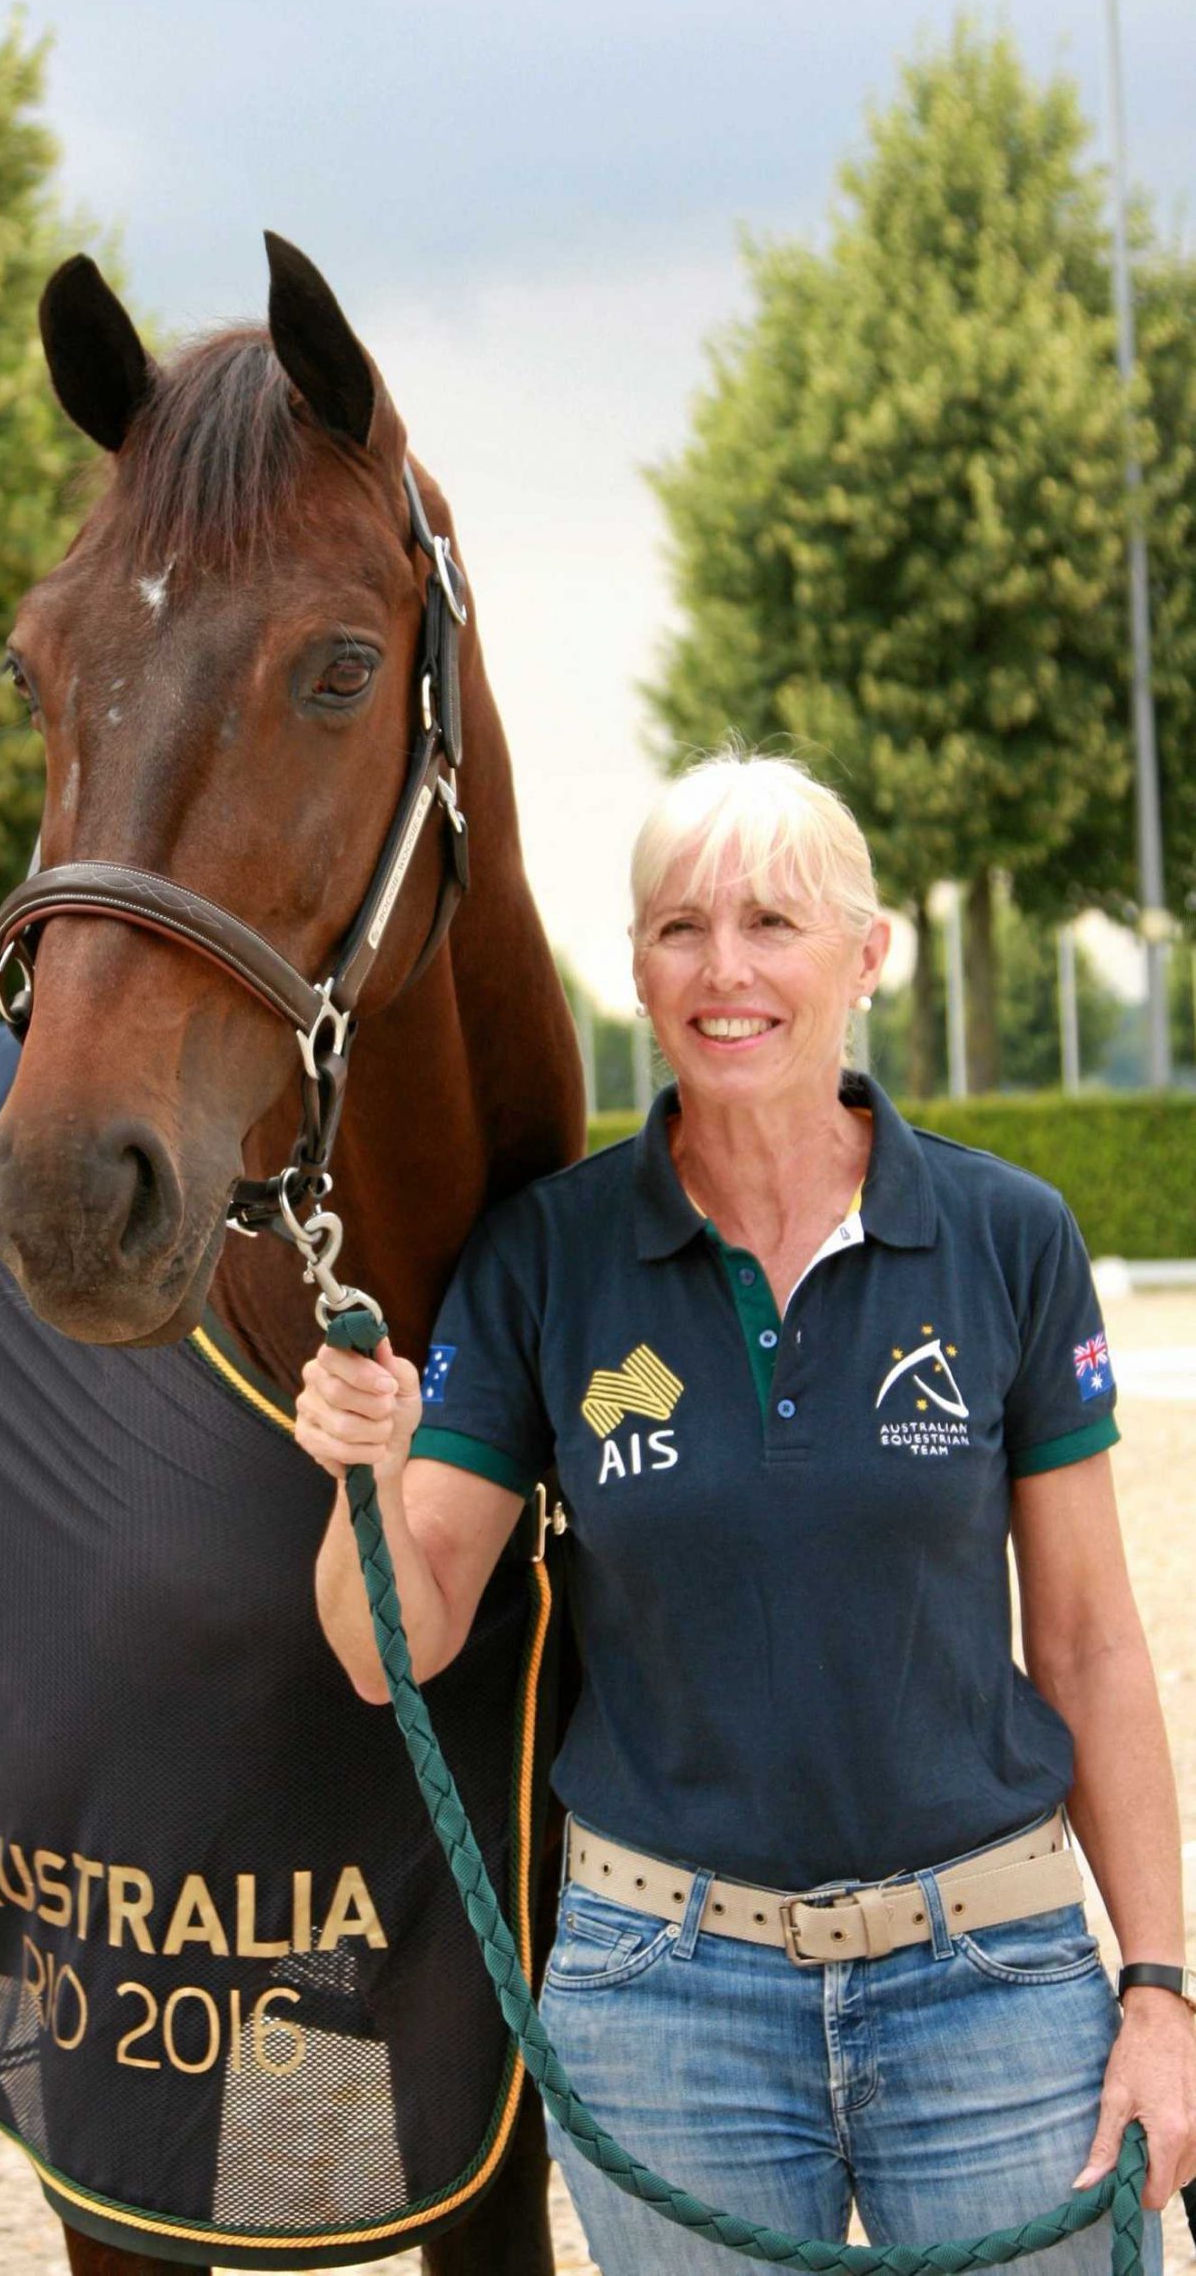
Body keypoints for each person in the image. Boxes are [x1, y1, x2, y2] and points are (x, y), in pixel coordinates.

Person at [294, 750, 1196, 2275]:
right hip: (666, 2006)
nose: (726, 972)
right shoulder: (542, 1264)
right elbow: (395, 1642)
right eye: (678, 930)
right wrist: (361, 1469)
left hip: (992, 1980)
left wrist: (1163, 1994)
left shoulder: (1008, 1241)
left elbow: (1097, 1646)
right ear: (636, 970)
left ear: (867, 954)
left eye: (774, 923)